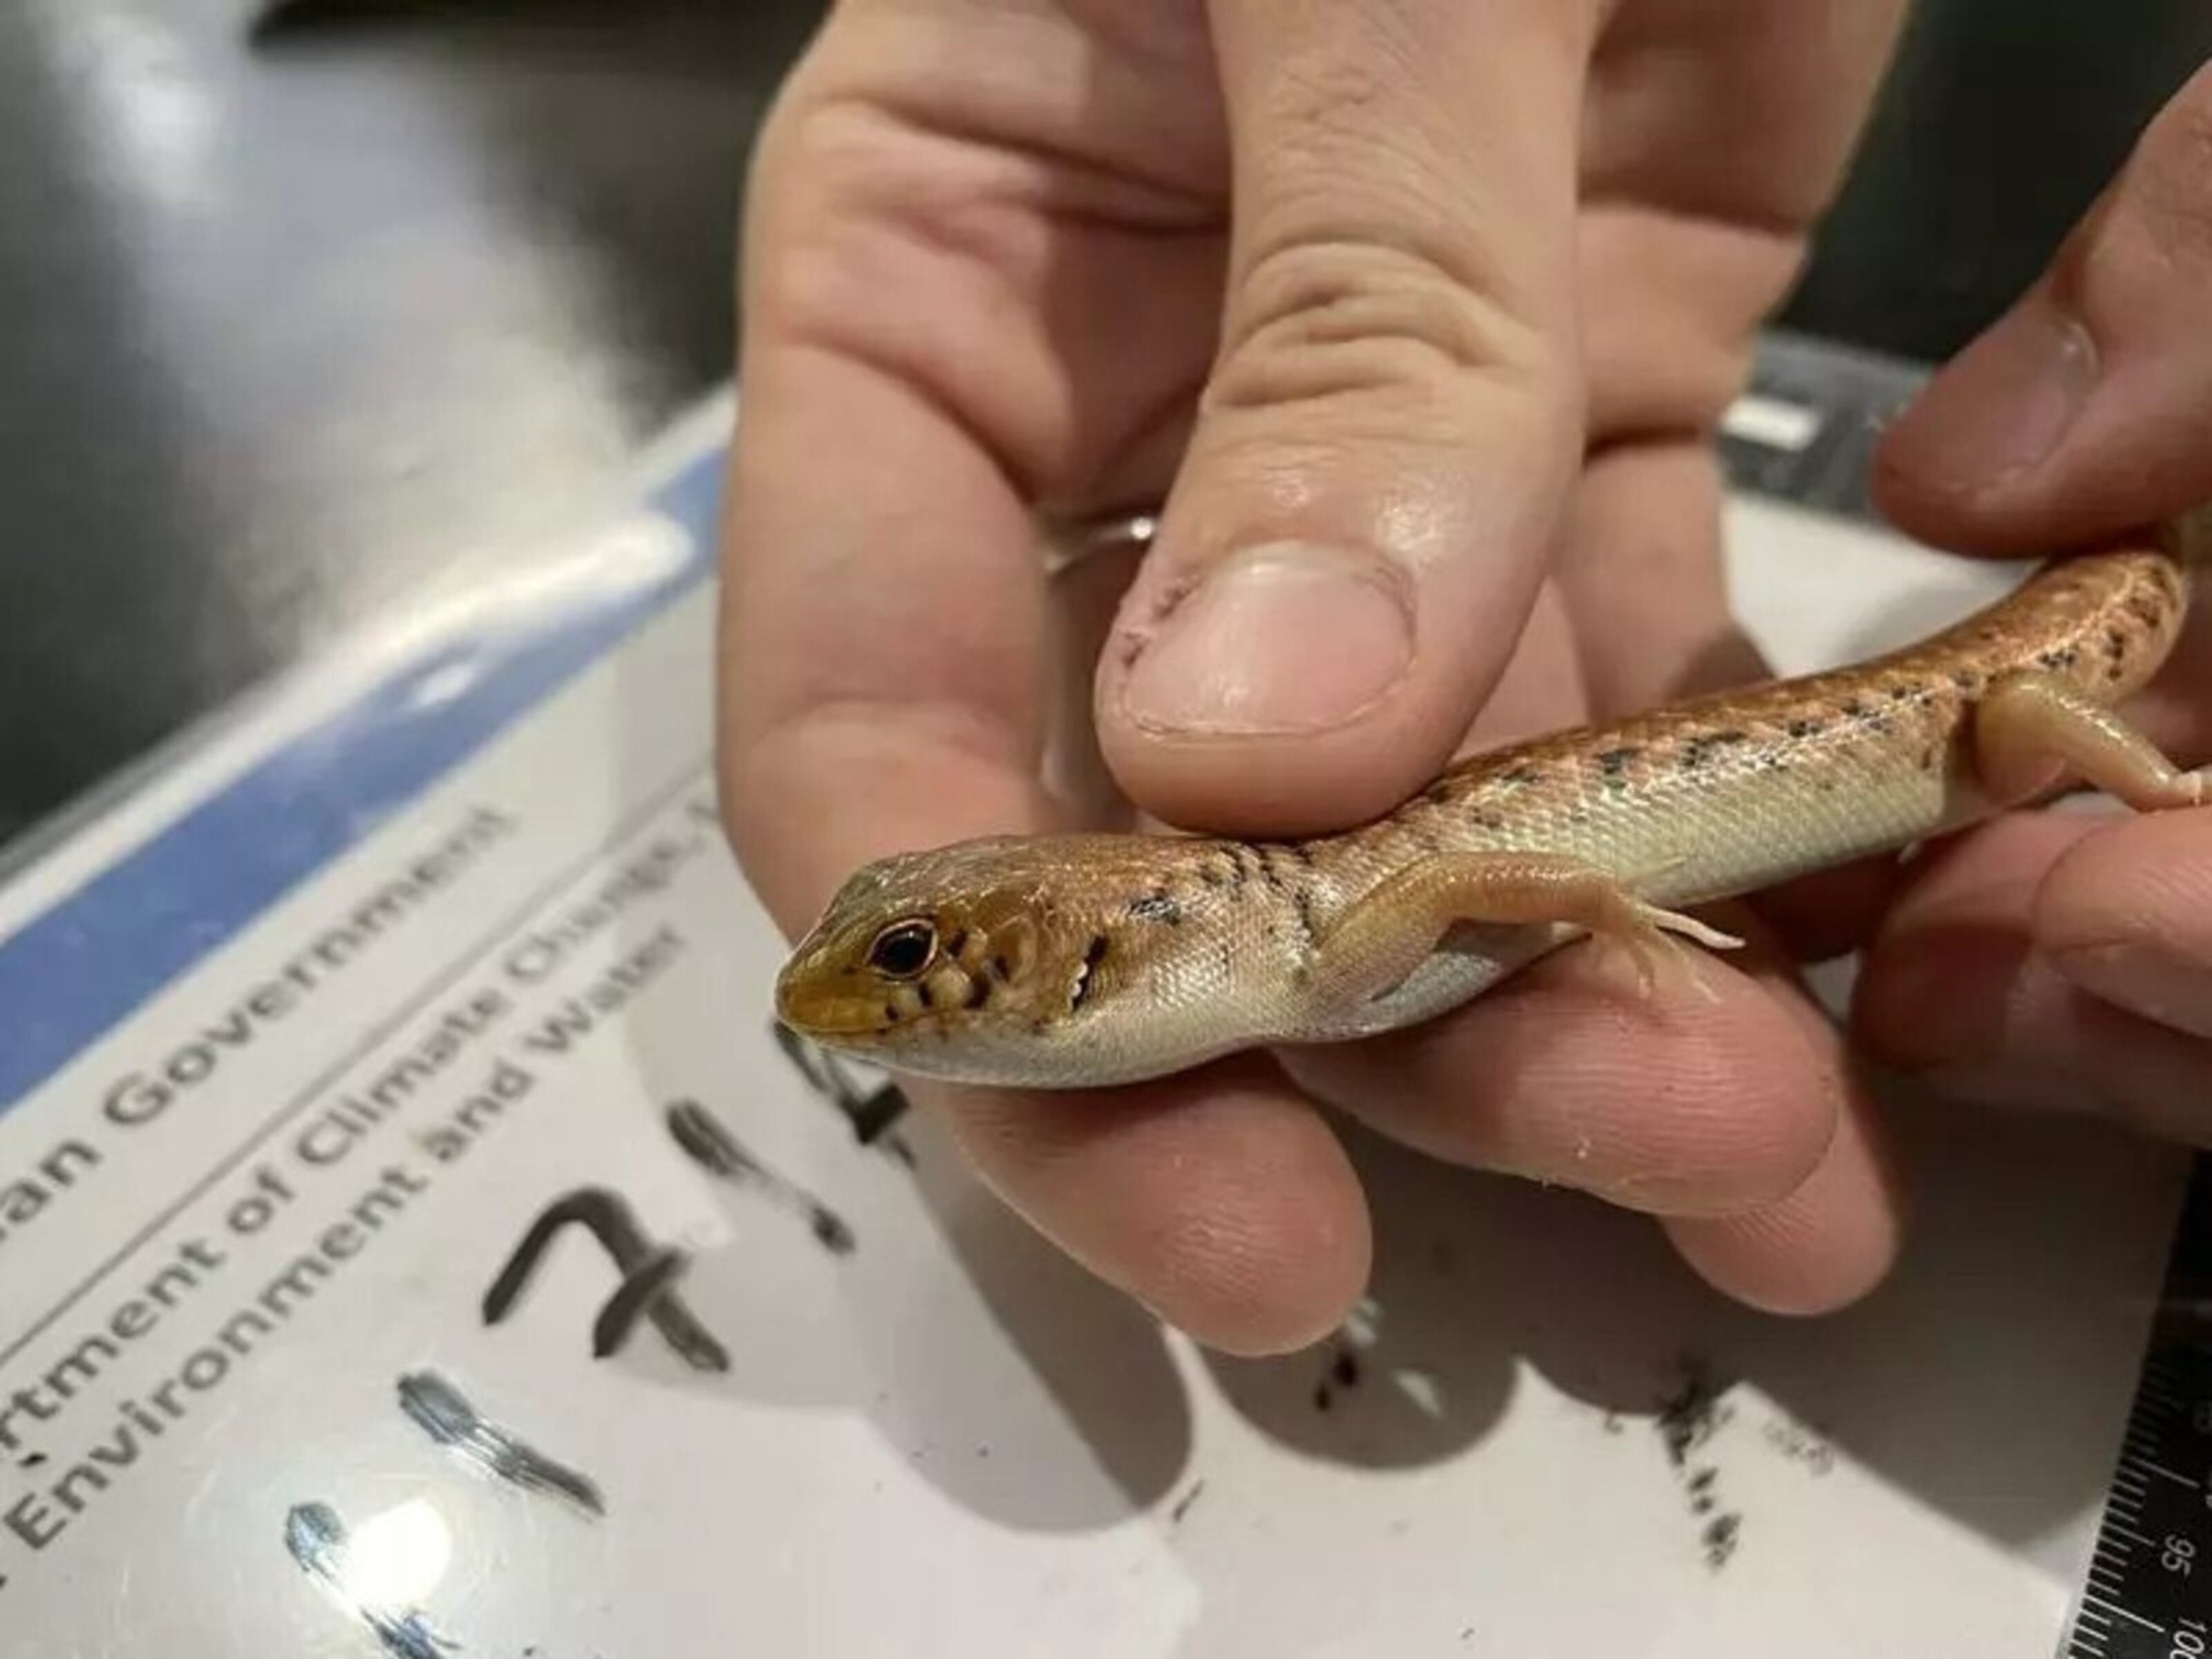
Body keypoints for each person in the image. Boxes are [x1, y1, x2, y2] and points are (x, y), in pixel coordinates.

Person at [716, 1, 2212, 1356]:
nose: (861, 979)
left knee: (2024, 733)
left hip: (2002, 690)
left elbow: (1452, 884)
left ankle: (2159, 760)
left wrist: (1602, 903)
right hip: (1939, 707)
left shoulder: (1314, 948)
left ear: (1082, 951)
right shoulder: (1275, 963)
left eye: (912, 954)